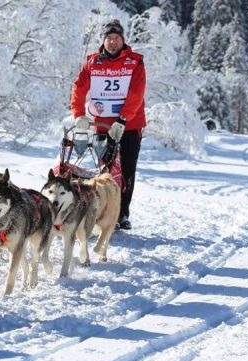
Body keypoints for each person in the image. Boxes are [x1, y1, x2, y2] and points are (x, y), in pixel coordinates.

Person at [70, 18, 146, 230]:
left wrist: (123, 118)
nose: (112, 42)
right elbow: (78, 88)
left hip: (129, 125)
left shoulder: (135, 61)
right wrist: (78, 114)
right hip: (102, 124)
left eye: (116, 38)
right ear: (103, 41)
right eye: (108, 38)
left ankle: (122, 214)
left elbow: (136, 92)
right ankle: (104, 211)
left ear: (123, 40)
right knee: (105, 170)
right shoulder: (93, 62)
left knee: (127, 170)